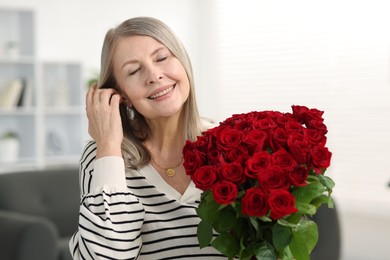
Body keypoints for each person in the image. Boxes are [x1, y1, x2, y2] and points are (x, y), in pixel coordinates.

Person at [69, 17, 225, 259]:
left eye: (162, 58)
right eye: (134, 70)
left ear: (182, 62)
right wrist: (109, 145)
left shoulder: (233, 144)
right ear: (122, 95)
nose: (154, 75)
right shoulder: (102, 156)